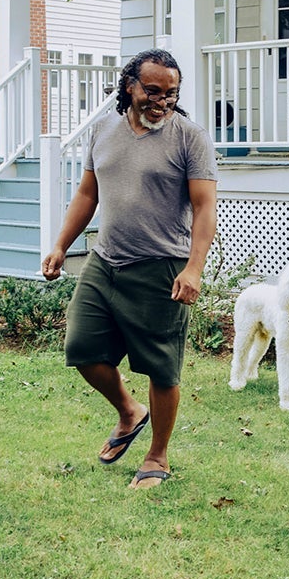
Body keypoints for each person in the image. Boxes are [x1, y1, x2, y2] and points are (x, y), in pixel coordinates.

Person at [40, 48, 218, 490]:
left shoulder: (188, 138)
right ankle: (128, 410)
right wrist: (61, 245)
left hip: (161, 266)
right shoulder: (104, 130)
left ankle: (157, 456)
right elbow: (87, 194)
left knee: (162, 368)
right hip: (105, 261)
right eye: (152, 91)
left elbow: (204, 207)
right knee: (80, 347)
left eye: (171, 94)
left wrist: (194, 268)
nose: (161, 102)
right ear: (129, 87)